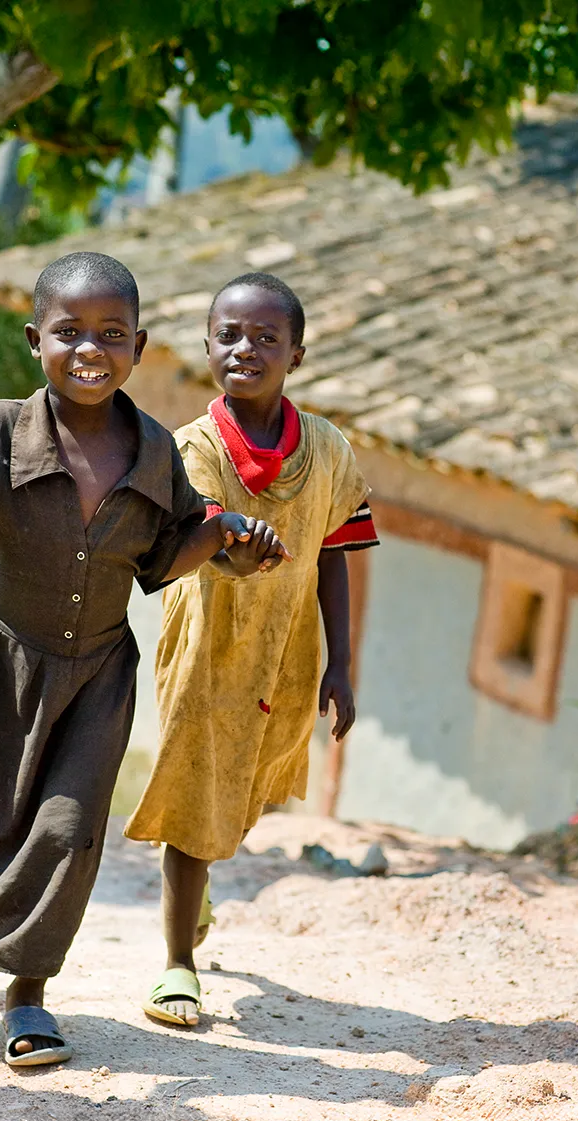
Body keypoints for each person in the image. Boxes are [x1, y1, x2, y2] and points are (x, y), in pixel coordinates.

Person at [0, 251, 285, 1068]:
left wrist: (229, 540)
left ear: (141, 346)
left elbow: (166, 557)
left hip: (96, 676)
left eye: (111, 334)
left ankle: (28, 1000)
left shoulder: (156, 452)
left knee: (70, 828)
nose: (91, 349)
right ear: (33, 339)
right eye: (69, 332)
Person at [124, 272, 378, 1028]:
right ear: (206, 347)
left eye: (267, 338)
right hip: (207, 644)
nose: (246, 349)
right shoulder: (190, 449)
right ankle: (177, 961)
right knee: (197, 792)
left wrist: (340, 661)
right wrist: (237, 544)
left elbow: (335, 551)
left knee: (245, 793)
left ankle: (192, 898)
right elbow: (211, 547)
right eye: (229, 335)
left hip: (288, 651)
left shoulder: (329, 451)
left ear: (296, 355)